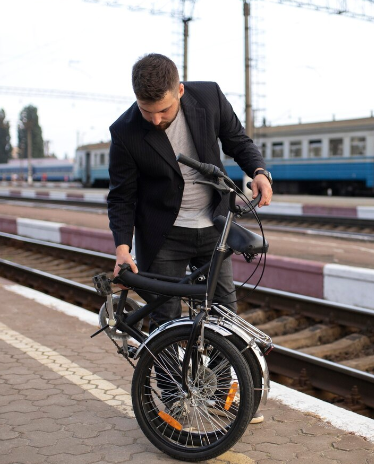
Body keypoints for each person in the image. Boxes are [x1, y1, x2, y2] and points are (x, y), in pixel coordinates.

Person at [107, 53, 272, 423]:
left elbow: (237, 140)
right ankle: (175, 401)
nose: (155, 119)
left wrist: (258, 171)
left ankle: (220, 399)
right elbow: (122, 197)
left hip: (214, 229)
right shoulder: (126, 132)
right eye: (146, 111)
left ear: (179, 90)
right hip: (163, 235)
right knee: (165, 319)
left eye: (163, 110)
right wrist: (122, 248)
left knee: (225, 315)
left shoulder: (208, 98)